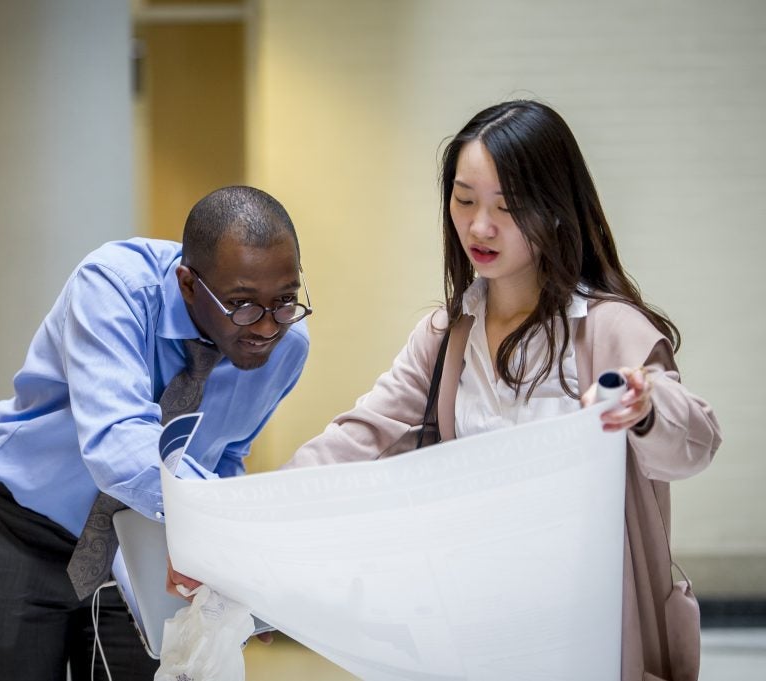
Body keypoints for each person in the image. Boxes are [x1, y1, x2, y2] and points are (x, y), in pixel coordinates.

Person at [285, 100, 721, 681]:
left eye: (507, 207)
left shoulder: (610, 330)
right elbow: (360, 438)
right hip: (475, 632)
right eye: (464, 201)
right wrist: (250, 515)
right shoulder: (444, 337)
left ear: (557, 210)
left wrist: (644, 405)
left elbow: (694, 444)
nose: (479, 226)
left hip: (589, 637)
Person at [0, 185, 312, 681]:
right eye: (242, 304)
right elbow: (119, 445)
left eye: (285, 301)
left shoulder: (287, 348)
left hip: (139, 546)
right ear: (187, 284)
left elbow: (224, 455)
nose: (268, 327)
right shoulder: (112, 287)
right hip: (20, 531)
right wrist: (234, 538)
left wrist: (231, 572)